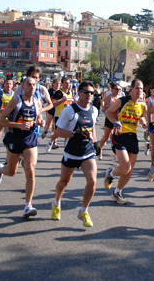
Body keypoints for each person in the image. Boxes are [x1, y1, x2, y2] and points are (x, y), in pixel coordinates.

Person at [0, 76, 45, 218]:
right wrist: (19, 125)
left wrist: (41, 122)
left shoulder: (36, 102)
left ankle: (28, 205)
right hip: (15, 137)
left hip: (29, 138)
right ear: (22, 86)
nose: (32, 87)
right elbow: (2, 120)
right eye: (29, 84)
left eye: (34, 85)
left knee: (30, 169)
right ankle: (0, 170)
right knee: (11, 171)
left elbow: (39, 117)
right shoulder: (16, 101)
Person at [51, 81, 99, 227]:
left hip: (87, 152)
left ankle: (84, 210)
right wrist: (73, 134)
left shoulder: (94, 110)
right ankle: (56, 203)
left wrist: (96, 143)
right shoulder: (69, 111)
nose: (89, 95)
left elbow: (92, 127)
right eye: (86, 92)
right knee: (64, 182)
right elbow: (57, 131)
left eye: (92, 93)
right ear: (79, 93)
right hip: (71, 152)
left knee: (92, 181)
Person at [104, 79, 147, 204]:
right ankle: (111, 173)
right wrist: (115, 122)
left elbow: (144, 119)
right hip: (120, 136)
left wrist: (144, 123)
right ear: (132, 89)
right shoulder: (122, 101)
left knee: (129, 171)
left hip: (132, 138)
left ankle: (116, 192)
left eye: (142, 89)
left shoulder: (143, 105)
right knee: (125, 168)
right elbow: (108, 112)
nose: (140, 91)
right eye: (138, 88)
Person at [47, 76, 74, 151]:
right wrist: (62, 100)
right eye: (66, 83)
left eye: (69, 83)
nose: (68, 85)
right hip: (59, 115)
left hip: (68, 116)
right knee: (57, 133)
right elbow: (53, 104)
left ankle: (67, 146)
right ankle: (51, 142)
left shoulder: (70, 92)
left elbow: (70, 103)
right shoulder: (59, 93)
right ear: (62, 84)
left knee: (68, 132)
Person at [99, 82, 122, 160]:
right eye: (116, 89)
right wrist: (114, 106)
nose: (118, 91)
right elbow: (105, 108)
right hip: (109, 119)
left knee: (116, 138)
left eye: (119, 89)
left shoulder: (121, 97)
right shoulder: (109, 97)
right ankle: (99, 149)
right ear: (112, 90)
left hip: (117, 119)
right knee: (106, 137)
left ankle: (116, 154)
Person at [0, 77, 15, 146]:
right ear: (4, 85)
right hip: (0, 117)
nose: (8, 85)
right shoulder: (0, 93)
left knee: (8, 137)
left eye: (10, 84)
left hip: (9, 119)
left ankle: (8, 153)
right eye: (7, 84)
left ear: (13, 85)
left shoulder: (14, 94)